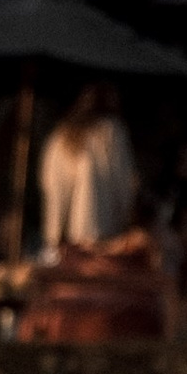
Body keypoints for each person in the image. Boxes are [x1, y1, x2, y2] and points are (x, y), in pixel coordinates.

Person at [37, 83, 140, 253]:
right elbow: (123, 181)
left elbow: (50, 183)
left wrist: (53, 234)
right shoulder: (111, 131)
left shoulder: (62, 134)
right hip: (102, 231)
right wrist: (125, 217)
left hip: (72, 235)